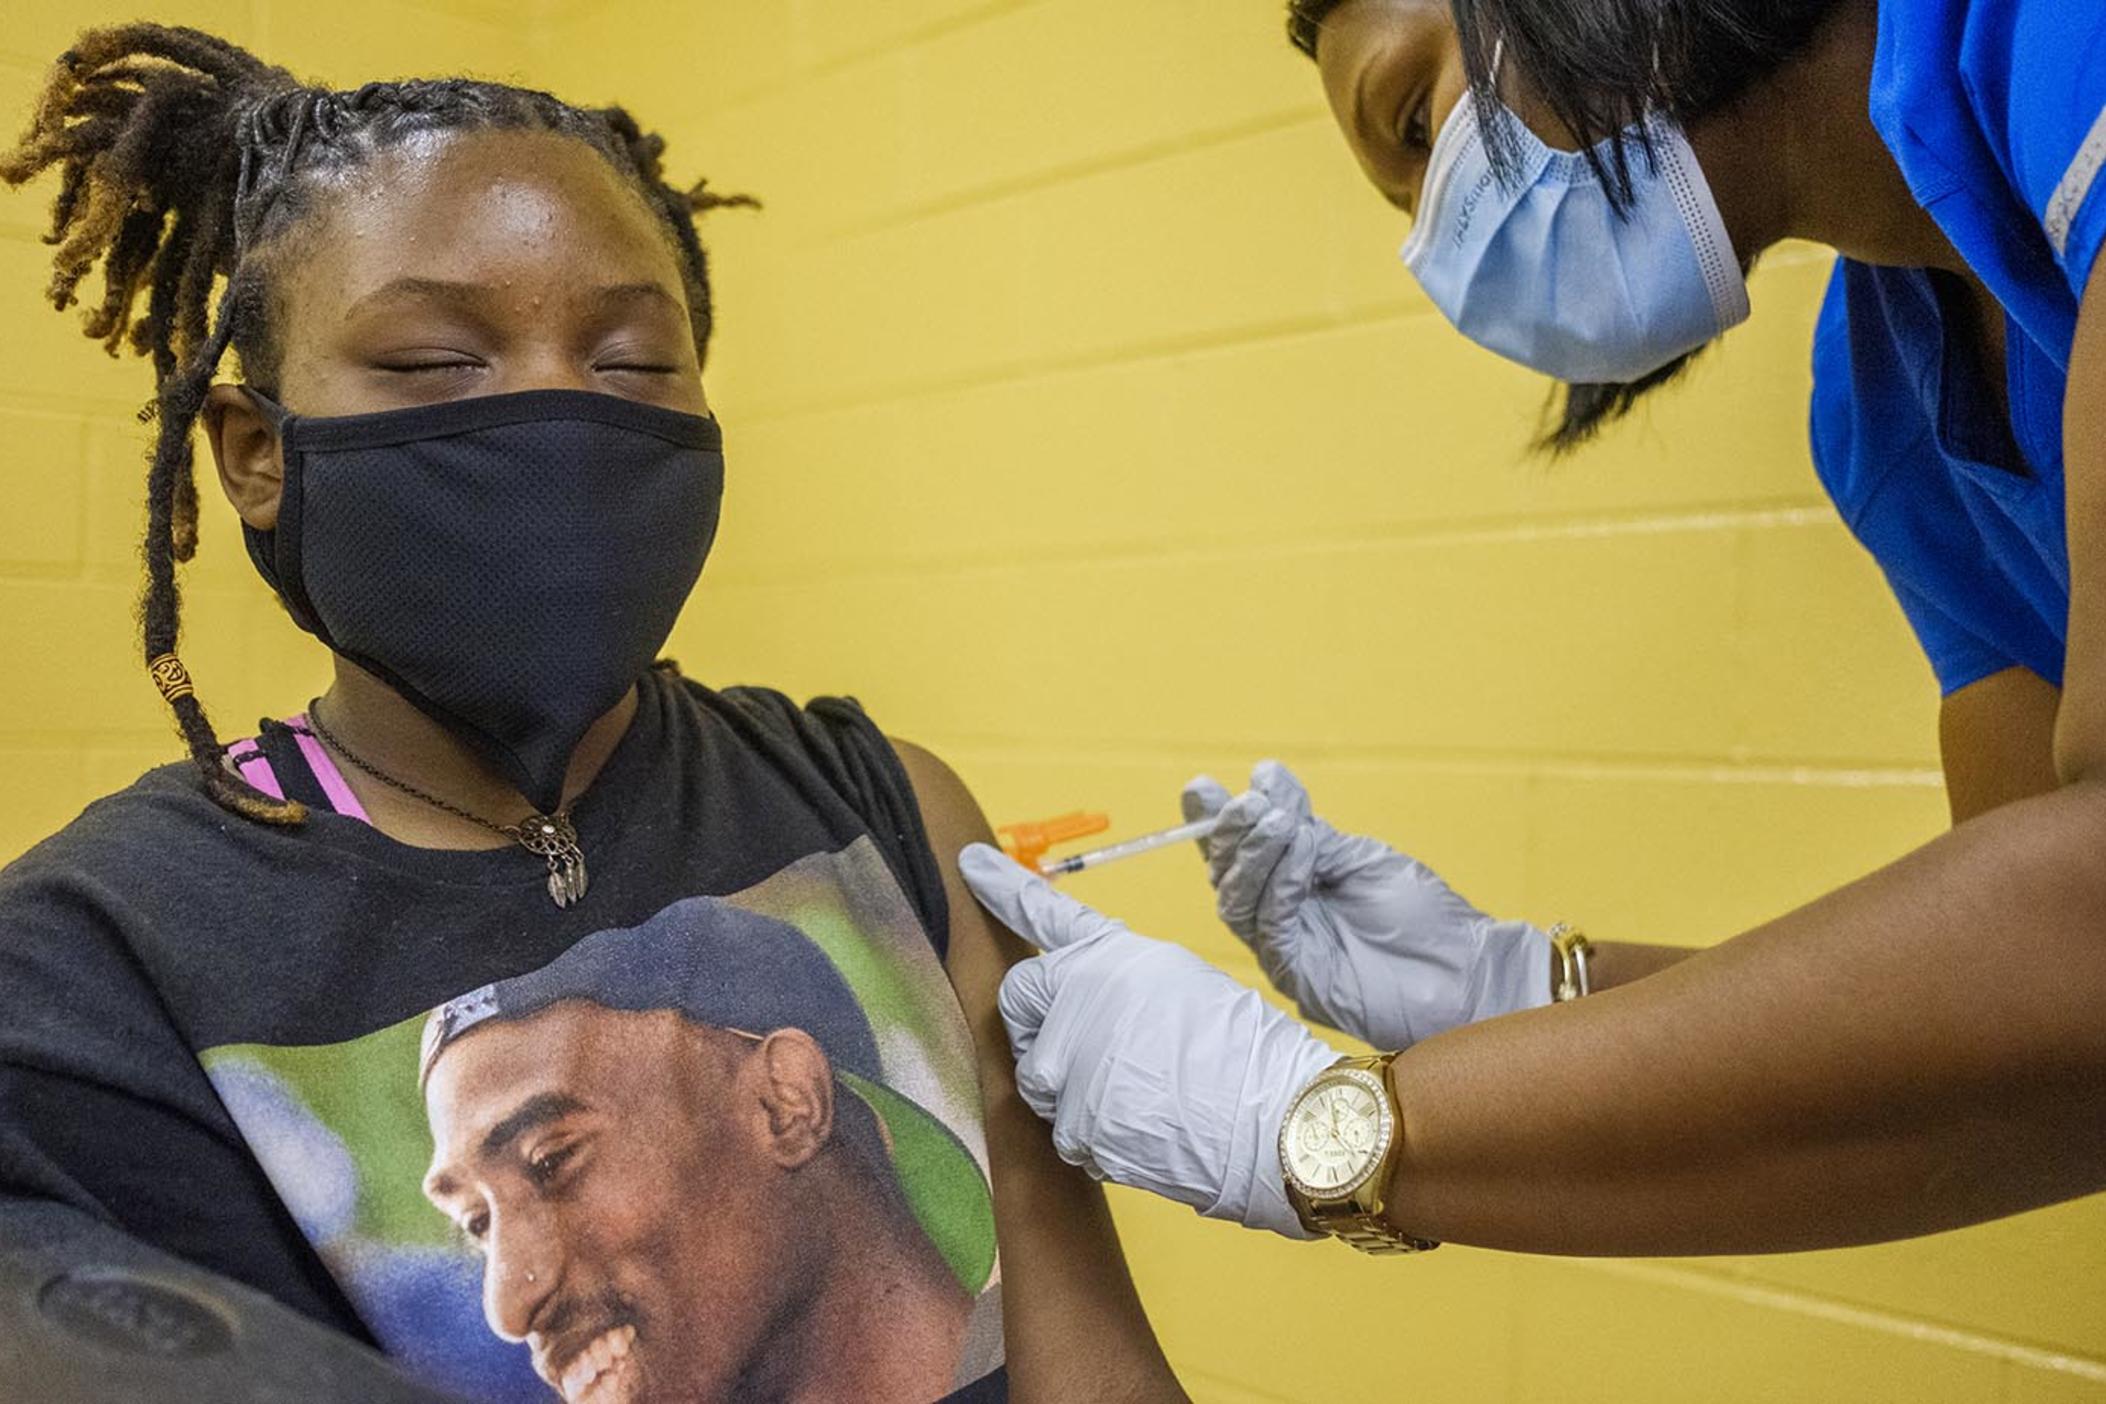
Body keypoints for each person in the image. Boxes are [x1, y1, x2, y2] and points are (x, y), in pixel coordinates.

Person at [0, 24, 1181, 1403]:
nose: (558, 409)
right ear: (258, 453)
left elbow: (1091, 1361)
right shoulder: (91, 970)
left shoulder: (879, 803)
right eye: (439, 361)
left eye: (629, 362)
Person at [956, 0, 2106, 1262]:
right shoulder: (1884, 404)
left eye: (1413, 121)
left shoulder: (2062, 47)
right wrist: (1522, 989)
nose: (1434, 243)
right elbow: (2028, 1052)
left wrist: (1311, 1123)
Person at [417, 900, 1001, 1404]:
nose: (509, 1309)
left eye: (551, 1160)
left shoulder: (1061, 1354)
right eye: (478, 1222)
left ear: (785, 1105)